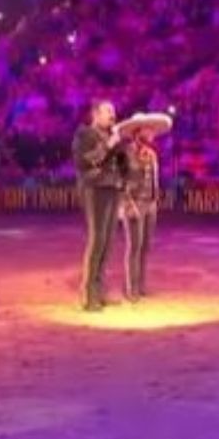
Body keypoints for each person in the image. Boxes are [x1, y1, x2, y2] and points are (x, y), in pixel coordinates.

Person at [72, 99, 127, 312]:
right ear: (96, 114)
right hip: (94, 189)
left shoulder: (113, 137)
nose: (113, 114)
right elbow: (85, 161)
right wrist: (109, 144)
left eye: (114, 110)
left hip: (112, 189)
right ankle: (88, 294)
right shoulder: (84, 134)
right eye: (108, 111)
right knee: (97, 240)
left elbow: (122, 165)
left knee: (108, 241)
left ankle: (100, 291)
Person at [117, 112, 172, 303]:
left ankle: (140, 286)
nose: (153, 132)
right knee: (134, 247)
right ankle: (132, 289)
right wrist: (126, 204)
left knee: (145, 246)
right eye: (149, 128)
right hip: (134, 203)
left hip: (149, 204)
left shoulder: (151, 154)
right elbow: (119, 181)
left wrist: (155, 201)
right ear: (138, 131)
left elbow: (154, 180)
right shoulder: (125, 153)